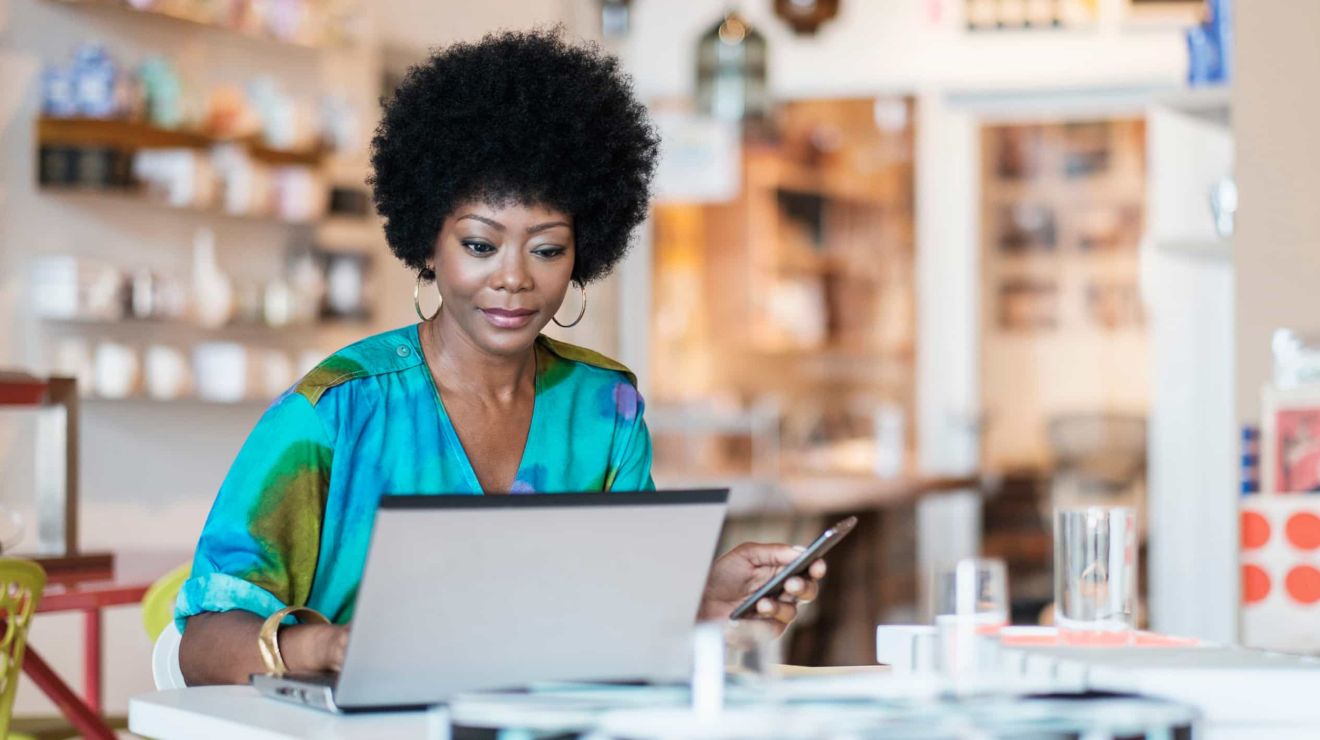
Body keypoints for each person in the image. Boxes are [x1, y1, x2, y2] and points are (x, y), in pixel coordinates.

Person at [177, 29, 827, 686]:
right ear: (428, 243)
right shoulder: (335, 410)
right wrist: (324, 647)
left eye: (545, 250)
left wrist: (700, 604)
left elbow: (605, 625)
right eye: (481, 246)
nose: (513, 278)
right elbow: (201, 646)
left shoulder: (606, 409)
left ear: (583, 254)